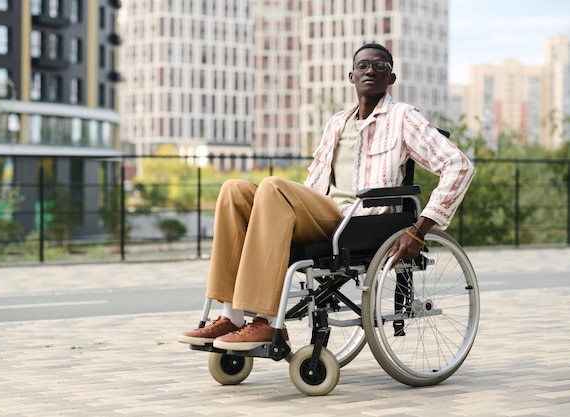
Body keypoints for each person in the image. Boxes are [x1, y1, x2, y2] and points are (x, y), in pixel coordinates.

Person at [178, 43, 475, 351]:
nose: (371, 70)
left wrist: (420, 230)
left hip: (361, 221)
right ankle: (231, 316)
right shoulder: (337, 123)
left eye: (380, 66)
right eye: (363, 66)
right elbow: (314, 183)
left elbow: (459, 165)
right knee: (234, 189)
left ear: (392, 78)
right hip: (327, 213)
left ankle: (263, 322)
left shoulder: (403, 118)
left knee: (271, 185)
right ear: (351, 76)